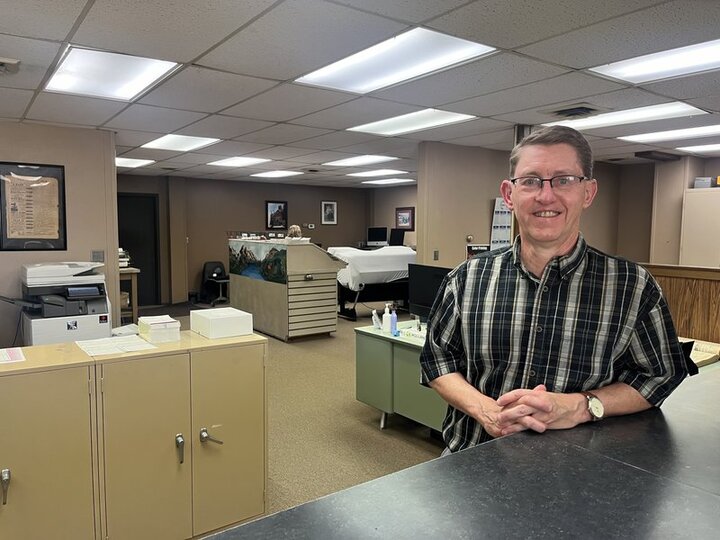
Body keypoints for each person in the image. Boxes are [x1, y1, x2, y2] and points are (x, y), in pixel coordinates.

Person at [420, 125, 689, 454]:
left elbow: (660, 376)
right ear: (509, 194)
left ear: (587, 193)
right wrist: (485, 410)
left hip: (580, 475)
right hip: (469, 462)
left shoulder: (633, 288)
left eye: (564, 180)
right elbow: (437, 361)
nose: (545, 196)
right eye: (530, 181)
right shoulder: (466, 279)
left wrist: (581, 406)